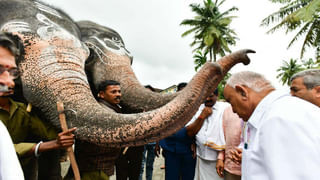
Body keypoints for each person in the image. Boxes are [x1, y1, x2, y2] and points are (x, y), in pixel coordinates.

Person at [0, 32, 76, 180]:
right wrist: (48, 145)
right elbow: (7, 150)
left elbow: (47, 132)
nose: (9, 82)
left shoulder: (21, 110)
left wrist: (63, 135)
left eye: (13, 72)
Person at [223, 71, 320, 180]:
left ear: (243, 92)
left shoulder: (279, 118)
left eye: (230, 101)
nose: (233, 110)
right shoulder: (271, 115)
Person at [69, 80, 122, 180]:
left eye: (119, 91)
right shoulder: (100, 111)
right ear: (101, 94)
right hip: (95, 167)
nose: (118, 94)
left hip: (100, 166)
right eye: (113, 92)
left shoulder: (113, 109)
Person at [187, 89, 235, 180]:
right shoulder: (197, 108)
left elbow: (231, 133)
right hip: (201, 156)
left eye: (211, 96)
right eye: (205, 96)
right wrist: (202, 116)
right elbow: (190, 132)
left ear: (217, 95)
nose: (207, 98)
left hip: (218, 159)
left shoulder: (226, 108)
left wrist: (221, 157)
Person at [156, 82, 198, 180]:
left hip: (188, 150)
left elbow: (199, 127)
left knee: (188, 177)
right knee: (171, 176)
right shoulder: (168, 108)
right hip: (170, 149)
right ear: (177, 93)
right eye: (181, 93)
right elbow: (160, 127)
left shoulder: (195, 108)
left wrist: (196, 142)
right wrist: (157, 142)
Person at [215, 107, 243, 180]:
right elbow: (223, 136)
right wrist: (220, 157)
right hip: (230, 166)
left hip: (251, 169)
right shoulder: (227, 111)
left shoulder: (258, 110)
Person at [139, 85, 157, 180]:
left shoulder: (156, 109)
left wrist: (158, 143)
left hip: (153, 142)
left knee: (150, 165)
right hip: (141, 142)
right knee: (140, 166)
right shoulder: (137, 108)